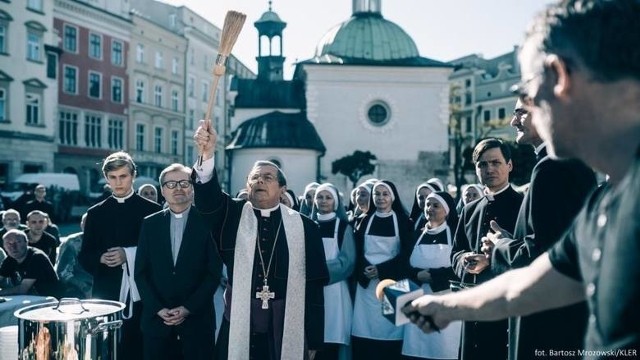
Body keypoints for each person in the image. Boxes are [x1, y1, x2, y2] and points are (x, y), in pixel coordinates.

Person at [404, 0, 640, 357]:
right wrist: (445, 308)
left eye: (526, 92)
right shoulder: (605, 203)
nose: (525, 109)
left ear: (558, 76)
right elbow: (529, 285)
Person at [193, 120, 329, 360]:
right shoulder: (231, 214)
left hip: (287, 321)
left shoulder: (306, 227)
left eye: (268, 177)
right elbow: (208, 199)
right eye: (255, 177)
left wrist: (314, 337)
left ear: (282, 189)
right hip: (238, 317)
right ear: (247, 184)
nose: (260, 182)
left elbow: (315, 288)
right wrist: (207, 154)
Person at [487, 100, 597, 359]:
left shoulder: (550, 166)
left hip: (546, 319)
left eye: (520, 113)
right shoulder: (571, 160)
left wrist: (499, 246)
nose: (513, 122)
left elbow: (541, 253)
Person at [79, 151, 161, 360]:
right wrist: (99, 258)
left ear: (133, 175)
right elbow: (85, 254)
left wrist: (128, 254)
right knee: (107, 348)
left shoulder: (152, 210)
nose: (118, 182)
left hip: (142, 292)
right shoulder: (96, 213)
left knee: (139, 348)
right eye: (113, 177)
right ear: (106, 178)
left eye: (123, 176)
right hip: (107, 290)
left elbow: (161, 254)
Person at [135, 163, 222, 360]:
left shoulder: (208, 222)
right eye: (171, 184)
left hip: (197, 322)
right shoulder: (150, 223)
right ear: (163, 191)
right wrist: (158, 308)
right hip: (157, 323)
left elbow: (213, 273)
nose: (178, 188)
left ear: (192, 188)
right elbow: (141, 272)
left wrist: (187, 308)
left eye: (184, 182)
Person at [450, 138, 523, 360]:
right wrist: (465, 260)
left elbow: (530, 254)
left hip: (507, 309)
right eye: (482, 164)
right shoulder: (469, 210)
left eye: (495, 162)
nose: (489, 169)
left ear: (509, 165)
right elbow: (455, 253)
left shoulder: (523, 205)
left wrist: (490, 261)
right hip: (473, 308)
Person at [351, 180, 413, 360]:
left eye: (385, 194)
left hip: (395, 284)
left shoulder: (403, 221)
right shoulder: (363, 220)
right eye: (376, 194)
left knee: (392, 333)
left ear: (392, 197)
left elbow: (407, 254)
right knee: (365, 332)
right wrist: (365, 269)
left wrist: (381, 270)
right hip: (367, 285)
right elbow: (357, 250)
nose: (380, 198)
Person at [403, 191, 461, 360]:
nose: (430, 209)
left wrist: (434, 276)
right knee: (417, 349)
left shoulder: (456, 235)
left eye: (436, 205)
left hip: (445, 301)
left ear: (447, 210)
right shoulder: (415, 235)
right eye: (428, 205)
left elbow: (459, 267)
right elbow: (402, 266)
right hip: (416, 301)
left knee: (443, 349)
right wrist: (416, 275)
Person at [310, 183, 356, 360]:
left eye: (328, 197)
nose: (323, 201)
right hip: (312, 289)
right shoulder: (308, 225)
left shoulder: (344, 227)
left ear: (335, 203)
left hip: (336, 291)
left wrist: (318, 272)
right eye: (319, 197)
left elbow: (348, 262)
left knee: (333, 339)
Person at [0, 229, 59, 296]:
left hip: (50, 300)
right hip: (29, 299)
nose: (13, 247)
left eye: (18, 242)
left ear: (26, 242)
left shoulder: (37, 257)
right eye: (9, 243)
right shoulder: (10, 259)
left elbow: (23, 289)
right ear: (4, 246)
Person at [56, 213, 93, 299]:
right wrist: (85, 287)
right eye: (85, 223)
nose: (89, 226)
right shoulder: (72, 242)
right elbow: (63, 273)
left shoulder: (107, 241)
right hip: (78, 288)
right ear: (81, 225)